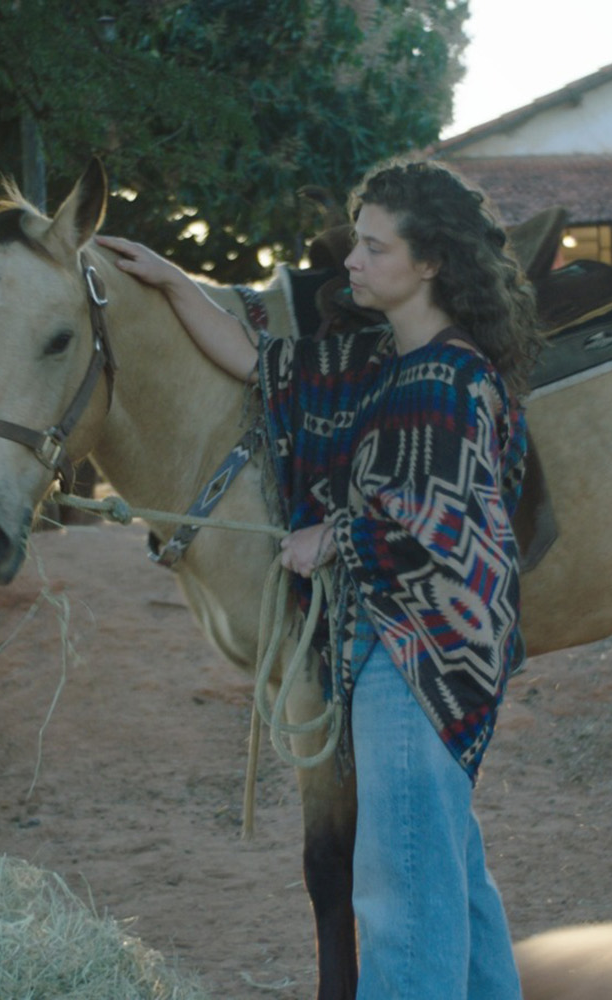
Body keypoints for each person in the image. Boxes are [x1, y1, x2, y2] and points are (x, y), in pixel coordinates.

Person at [96, 158, 538, 999]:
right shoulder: (379, 360)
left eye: (374, 248)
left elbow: (454, 526)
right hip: (400, 651)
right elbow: (261, 361)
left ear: (431, 264)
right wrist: (172, 279)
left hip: (422, 661)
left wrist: (335, 535)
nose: (354, 262)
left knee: (400, 890)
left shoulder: (452, 380)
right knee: (452, 880)